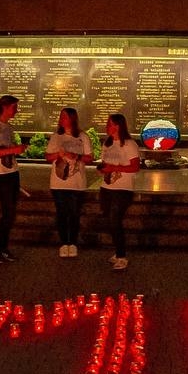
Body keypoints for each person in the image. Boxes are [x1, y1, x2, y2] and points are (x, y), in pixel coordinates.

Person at [46, 107, 94, 258]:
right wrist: (57, 154)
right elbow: (48, 157)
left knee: (74, 213)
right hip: (58, 182)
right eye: (61, 116)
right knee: (61, 213)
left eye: (65, 116)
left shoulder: (82, 136)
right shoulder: (56, 137)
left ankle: (72, 242)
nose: (62, 119)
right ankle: (63, 243)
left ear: (73, 118)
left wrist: (76, 156)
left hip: (77, 182)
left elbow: (90, 158)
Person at [0, 95, 27, 263]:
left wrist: (17, 150)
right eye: (14, 107)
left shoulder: (9, 127)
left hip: (12, 171)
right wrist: (13, 150)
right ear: (5, 107)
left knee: (11, 213)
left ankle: (3, 247)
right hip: (1, 174)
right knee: (7, 213)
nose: (16, 110)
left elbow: (9, 150)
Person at [98, 113, 141, 271]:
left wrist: (115, 168)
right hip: (107, 186)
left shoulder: (129, 144)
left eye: (110, 124)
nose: (107, 126)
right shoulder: (107, 143)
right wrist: (103, 170)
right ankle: (118, 252)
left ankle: (122, 256)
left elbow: (135, 167)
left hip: (122, 188)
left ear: (118, 126)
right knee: (110, 220)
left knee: (115, 220)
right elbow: (105, 162)